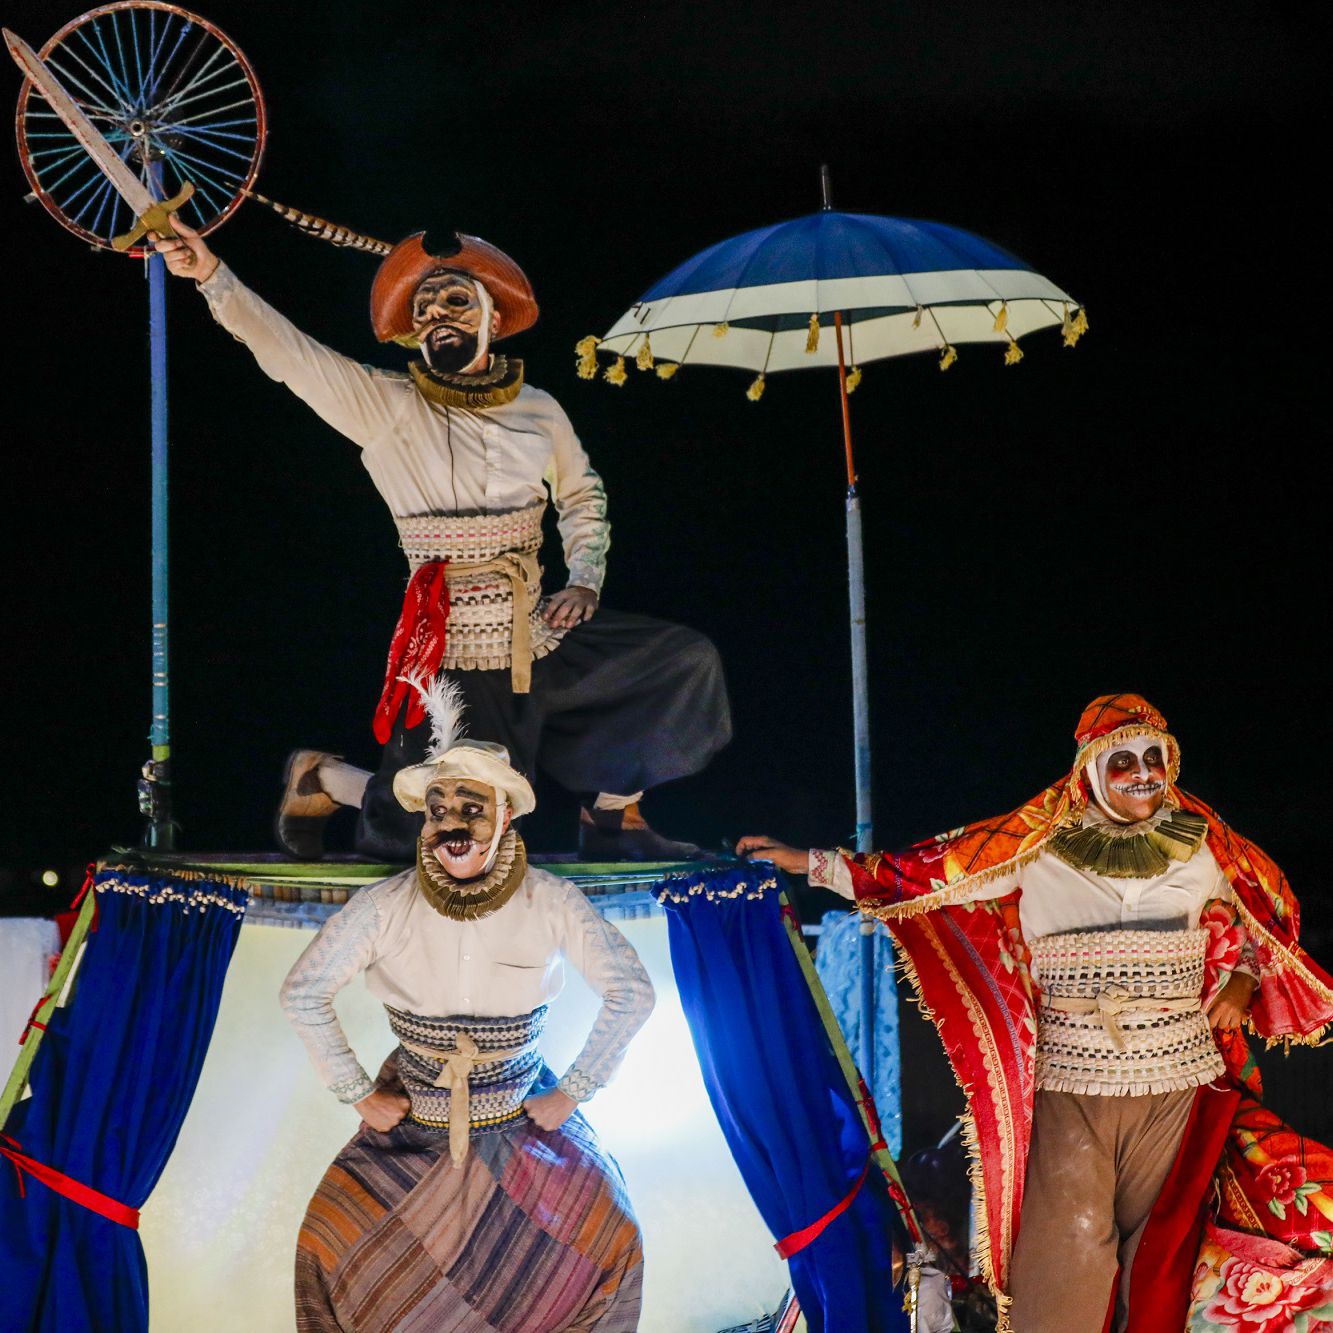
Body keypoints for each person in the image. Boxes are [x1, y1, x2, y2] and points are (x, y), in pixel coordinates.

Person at [740, 693, 1333, 1331]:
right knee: (1066, 1251)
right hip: (1075, 1077)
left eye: (1155, 757)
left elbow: (1263, 914)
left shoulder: (1207, 847)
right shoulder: (1035, 845)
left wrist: (1243, 979)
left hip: (1177, 1077)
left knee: (1162, 1256)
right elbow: (923, 876)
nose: (1143, 772)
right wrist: (809, 863)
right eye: (1124, 759)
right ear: (1090, 771)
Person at [153, 218, 730, 861]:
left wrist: (585, 577)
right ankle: (322, 778)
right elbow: (290, 353)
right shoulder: (389, 406)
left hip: (536, 628)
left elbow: (582, 494)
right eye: (423, 308)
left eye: (455, 300)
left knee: (681, 663)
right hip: (448, 640)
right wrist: (211, 277)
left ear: (490, 317)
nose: (436, 315)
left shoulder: (538, 408)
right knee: (434, 827)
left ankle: (612, 820)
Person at [280, 676, 653, 1331]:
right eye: (438, 809)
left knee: (613, 1242)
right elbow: (303, 992)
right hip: (412, 1124)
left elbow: (632, 993)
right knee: (325, 1247)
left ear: (504, 812)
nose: (451, 824)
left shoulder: (550, 901)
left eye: (469, 807)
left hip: (522, 1121)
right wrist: (356, 1091)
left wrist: (573, 1091)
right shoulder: (385, 905)